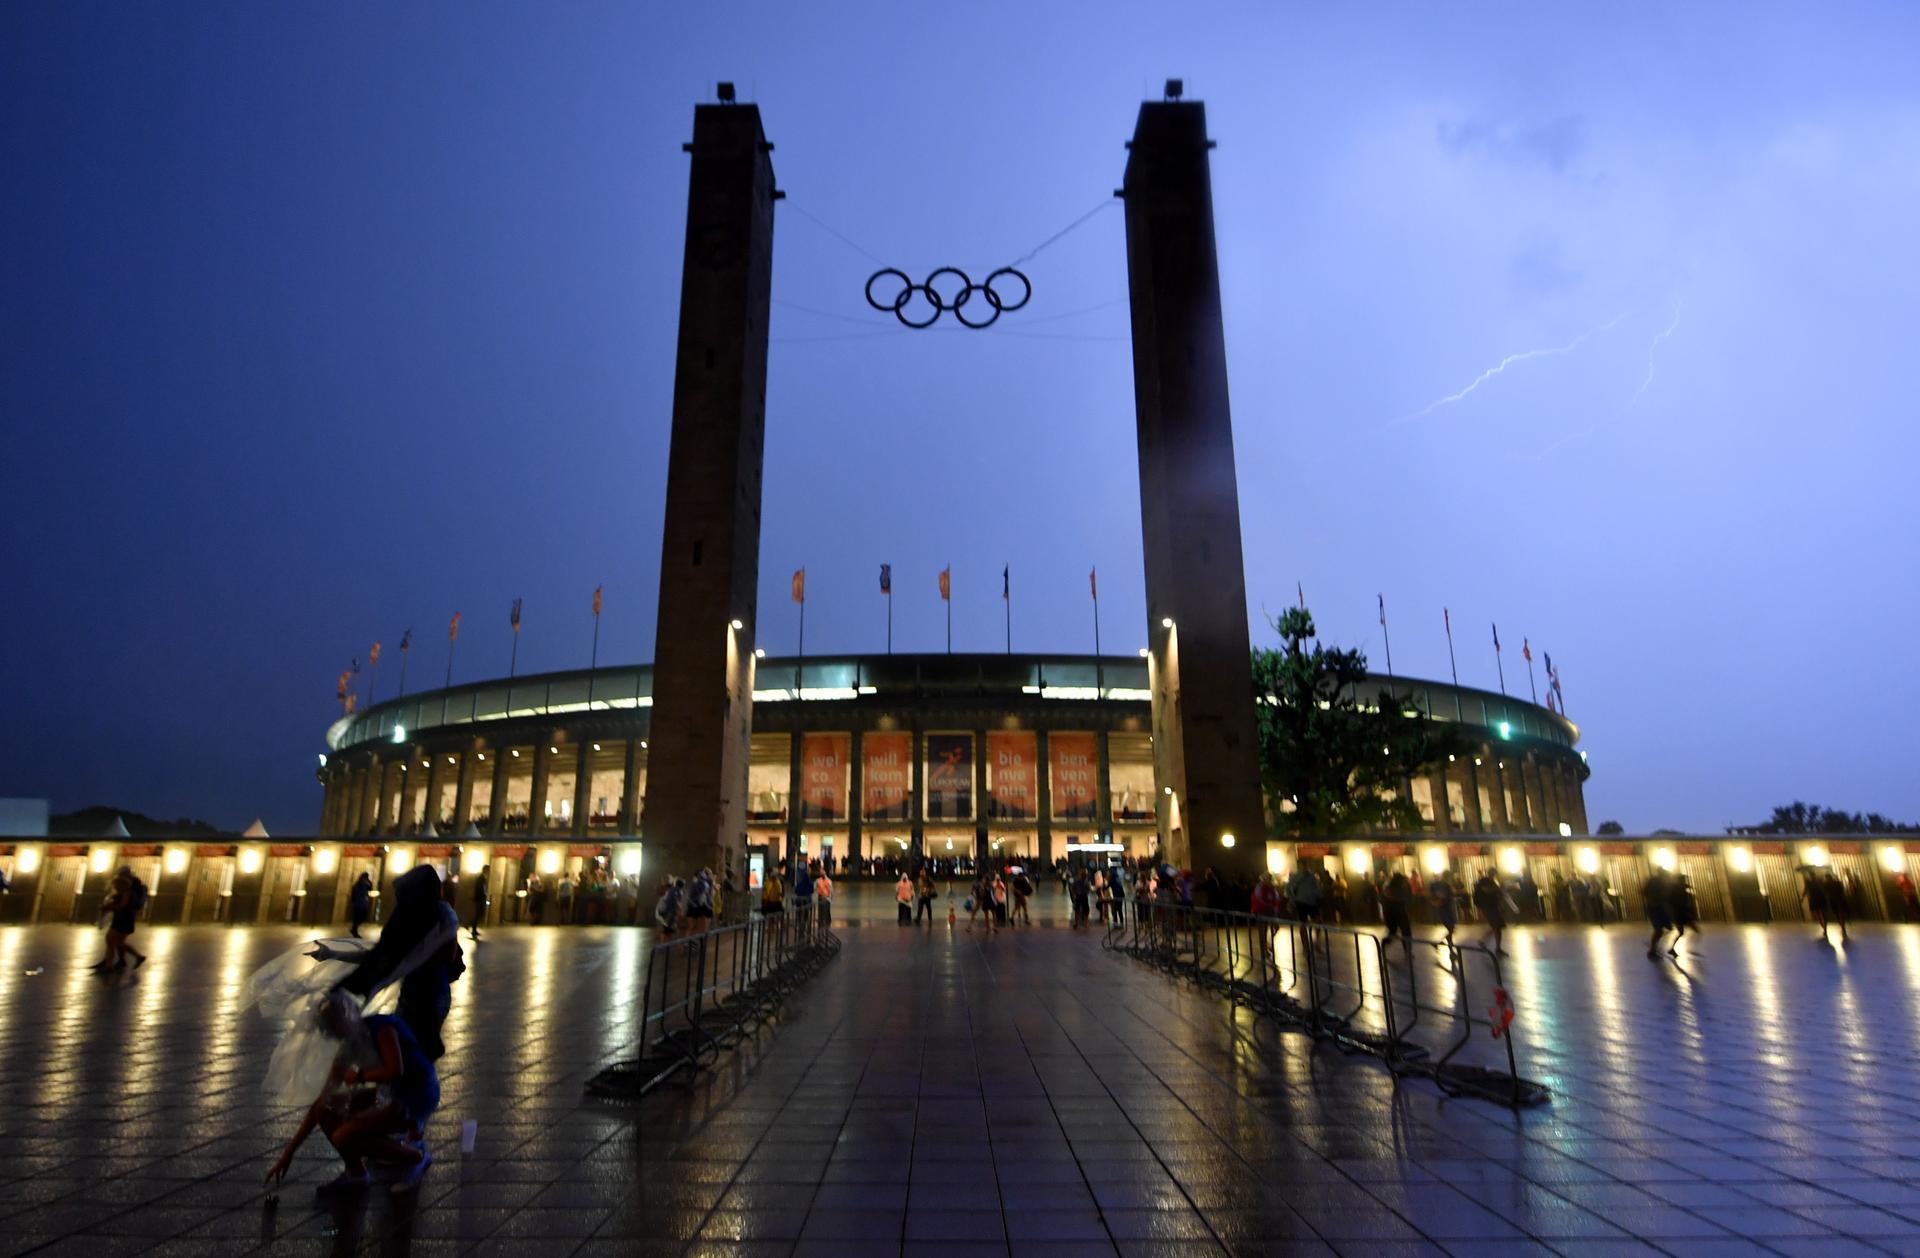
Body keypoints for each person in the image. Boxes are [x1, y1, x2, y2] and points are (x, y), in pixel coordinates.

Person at [263, 992, 437, 1197]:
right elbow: (323, 1099)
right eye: (331, 1029)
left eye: (336, 1024)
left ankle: (416, 1156)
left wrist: (358, 1076)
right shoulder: (349, 1043)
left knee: (344, 1136)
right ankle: (356, 1172)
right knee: (325, 1110)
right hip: (388, 1093)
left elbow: (394, 1070)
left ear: (349, 1015)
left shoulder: (382, 1027)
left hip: (416, 1093)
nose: (336, 1033)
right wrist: (288, 1153)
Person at [92, 867, 148, 972]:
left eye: (117, 884)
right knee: (112, 940)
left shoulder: (127, 891)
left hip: (124, 919)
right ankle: (110, 964)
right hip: (121, 919)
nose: (115, 886)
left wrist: (108, 907)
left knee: (115, 941)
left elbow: (122, 906)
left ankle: (136, 957)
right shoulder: (125, 890)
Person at [1472, 870, 1509, 956]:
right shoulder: (1484, 881)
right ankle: (1485, 942)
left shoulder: (1492, 882)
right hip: (1488, 907)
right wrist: (1498, 888)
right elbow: (1487, 890)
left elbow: (1497, 893)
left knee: (1497, 927)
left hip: (1493, 907)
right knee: (1496, 925)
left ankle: (1496, 946)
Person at [1643, 867, 1675, 959]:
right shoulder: (1655, 881)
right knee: (1659, 930)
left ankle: (1654, 947)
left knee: (1664, 929)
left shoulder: (1659, 881)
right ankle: (1653, 949)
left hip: (1658, 906)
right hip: (1655, 907)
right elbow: (1644, 891)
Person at [1382, 871, 1415, 946]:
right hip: (1396, 912)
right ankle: (1384, 944)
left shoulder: (1395, 887)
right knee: (1400, 932)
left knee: (1403, 932)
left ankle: (1407, 950)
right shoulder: (1392, 888)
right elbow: (1391, 898)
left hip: (1397, 912)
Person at [1426, 871, 1457, 944]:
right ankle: (1446, 942)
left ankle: (1447, 942)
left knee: (1451, 927)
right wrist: (1436, 901)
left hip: (1446, 907)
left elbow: (1448, 894)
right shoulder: (1440, 885)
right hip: (1444, 908)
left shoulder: (1445, 885)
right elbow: (1436, 895)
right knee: (1450, 927)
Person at [1823, 868, 1851, 944]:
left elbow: (1825, 893)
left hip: (1833, 900)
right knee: (1841, 913)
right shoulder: (1838, 883)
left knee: (1837, 914)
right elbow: (1842, 890)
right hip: (1840, 899)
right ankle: (1843, 927)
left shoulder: (1826, 885)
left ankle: (1842, 926)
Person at [686, 867, 716, 933]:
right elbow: (709, 894)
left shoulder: (705, 882)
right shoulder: (702, 883)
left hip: (703, 905)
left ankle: (700, 941)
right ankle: (699, 941)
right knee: (701, 927)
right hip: (702, 905)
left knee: (700, 927)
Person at [349, 872, 374, 938]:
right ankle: (355, 931)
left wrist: (368, 881)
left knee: (363, 917)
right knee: (356, 918)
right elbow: (353, 893)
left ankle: (354, 929)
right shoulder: (357, 884)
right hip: (358, 903)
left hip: (363, 903)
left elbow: (371, 888)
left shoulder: (366, 884)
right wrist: (353, 901)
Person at [468, 872, 489, 941]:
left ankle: (474, 929)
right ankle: (471, 926)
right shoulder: (481, 879)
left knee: (479, 914)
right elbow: (481, 889)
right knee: (479, 914)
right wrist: (484, 895)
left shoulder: (482, 879)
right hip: (480, 899)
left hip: (480, 899)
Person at [815, 863, 835, 929]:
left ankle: (823, 920)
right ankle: (826, 920)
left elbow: (830, 889)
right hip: (825, 897)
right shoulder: (827, 881)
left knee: (823, 910)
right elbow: (831, 890)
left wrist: (831, 897)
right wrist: (831, 897)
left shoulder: (819, 881)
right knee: (825, 910)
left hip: (823, 897)